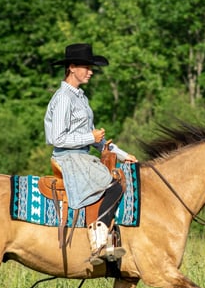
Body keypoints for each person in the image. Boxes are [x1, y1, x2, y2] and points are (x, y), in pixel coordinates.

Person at [44, 43, 138, 266]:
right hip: (69, 158)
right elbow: (56, 139)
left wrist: (125, 156)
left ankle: (111, 239)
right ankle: (98, 241)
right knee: (114, 183)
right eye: (86, 67)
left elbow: (97, 140)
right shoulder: (63, 98)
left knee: (122, 176)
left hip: (82, 156)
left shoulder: (80, 98)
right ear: (72, 67)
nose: (91, 71)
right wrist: (90, 138)